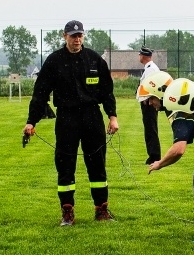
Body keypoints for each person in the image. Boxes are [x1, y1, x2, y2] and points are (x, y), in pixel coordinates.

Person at [24, 20, 119, 225]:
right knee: (65, 165)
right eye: (73, 35)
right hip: (67, 118)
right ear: (64, 36)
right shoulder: (54, 61)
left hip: (92, 116)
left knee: (97, 165)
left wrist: (112, 116)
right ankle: (67, 213)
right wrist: (31, 122)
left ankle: (101, 210)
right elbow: (40, 94)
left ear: (83, 37)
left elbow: (107, 92)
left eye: (80, 36)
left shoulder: (94, 60)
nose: (77, 39)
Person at [146, 77, 194, 243]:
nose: (149, 103)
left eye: (151, 98)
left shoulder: (179, 109)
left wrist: (159, 163)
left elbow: (178, 149)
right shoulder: (182, 103)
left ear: (161, 94)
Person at [136, 47, 162, 164]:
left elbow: (151, 86)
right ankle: (152, 154)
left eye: (140, 54)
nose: (139, 56)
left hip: (149, 103)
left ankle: (154, 155)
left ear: (144, 56)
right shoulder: (149, 68)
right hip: (148, 102)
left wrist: (147, 99)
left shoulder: (151, 69)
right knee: (150, 128)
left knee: (150, 128)